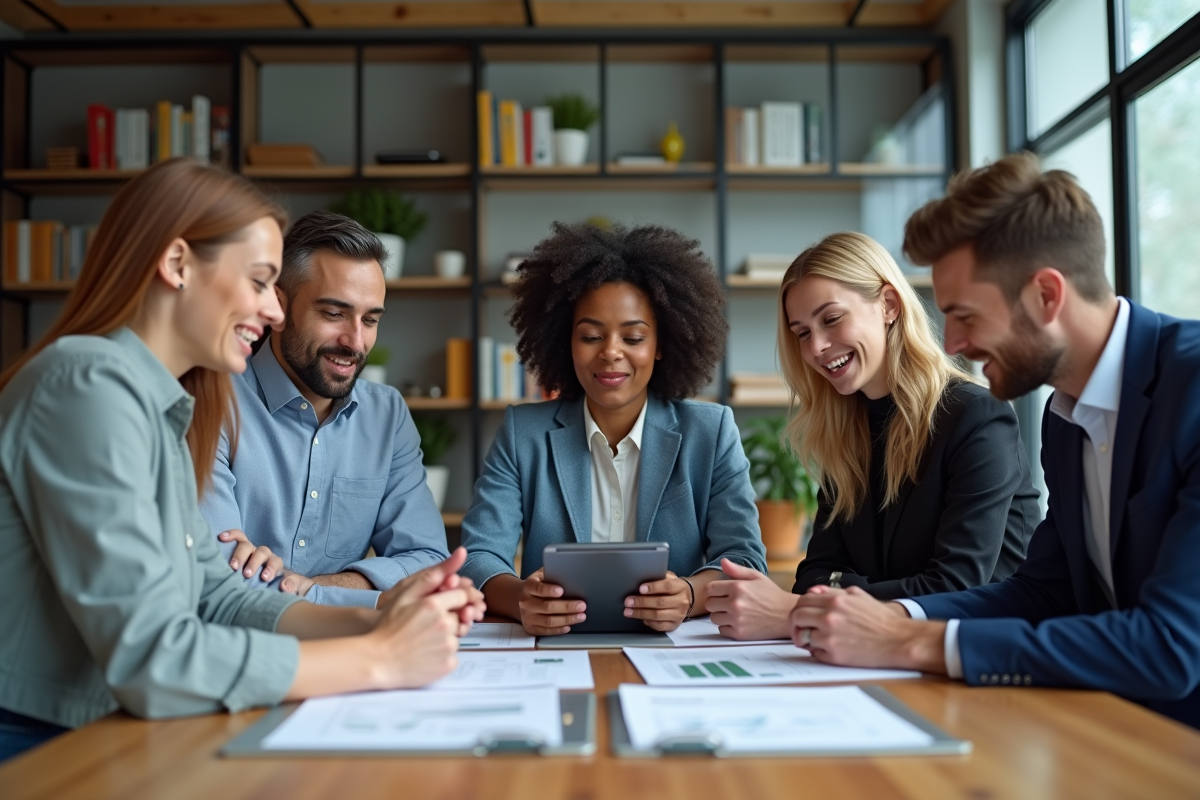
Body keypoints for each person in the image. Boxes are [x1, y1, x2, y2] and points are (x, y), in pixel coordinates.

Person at [0, 160, 483, 763]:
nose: (275, 311)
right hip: (42, 743)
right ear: (177, 265)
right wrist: (380, 658)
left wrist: (382, 617)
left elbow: (220, 597)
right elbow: (155, 658)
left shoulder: (166, 403)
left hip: (118, 730)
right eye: (259, 281)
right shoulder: (87, 385)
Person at [786, 152, 1200, 730]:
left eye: (966, 316)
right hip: (1105, 722)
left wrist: (917, 644)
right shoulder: (1064, 415)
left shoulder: (1192, 389)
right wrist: (893, 619)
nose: (952, 341)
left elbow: (1172, 645)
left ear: (1046, 296)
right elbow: (1043, 593)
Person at [704, 232, 1039, 640]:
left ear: (889, 305)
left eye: (830, 319)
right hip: (878, 652)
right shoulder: (845, 431)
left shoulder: (975, 416)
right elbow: (814, 572)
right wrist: (827, 596)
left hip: (981, 658)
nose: (817, 347)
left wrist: (800, 609)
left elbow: (955, 587)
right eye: (802, 332)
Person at [460, 222, 768, 636]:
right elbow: (479, 555)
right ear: (565, 342)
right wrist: (520, 600)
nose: (610, 352)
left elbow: (745, 558)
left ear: (661, 345)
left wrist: (689, 595)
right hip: (556, 648)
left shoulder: (710, 432)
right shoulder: (522, 434)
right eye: (590, 335)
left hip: (674, 651)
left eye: (633, 336)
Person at [199, 211, 449, 609]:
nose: (355, 341)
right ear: (277, 306)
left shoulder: (386, 415)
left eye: (370, 320)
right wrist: (366, 593)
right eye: (334, 314)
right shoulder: (209, 402)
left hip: (353, 652)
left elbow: (429, 562)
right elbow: (215, 581)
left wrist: (310, 588)